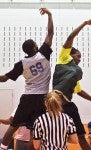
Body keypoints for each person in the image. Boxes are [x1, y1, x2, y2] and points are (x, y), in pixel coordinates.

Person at [0, 7, 54, 150]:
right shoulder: (43, 54)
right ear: (36, 47)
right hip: (42, 97)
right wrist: (49, 15)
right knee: (36, 130)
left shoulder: (21, 64)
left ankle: (3, 148)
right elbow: (50, 33)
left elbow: (4, 78)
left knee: (13, 126)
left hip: (28, 97)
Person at [52, 19, 91, 150]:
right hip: (55, 104)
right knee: (52, 136)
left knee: (81, 136)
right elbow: (71, 36)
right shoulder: (64, 58)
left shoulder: (75, 77)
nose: (79, 59)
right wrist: (84, 23)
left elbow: (79, 91)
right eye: (78, 56)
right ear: (70, 55)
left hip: (68, 106)